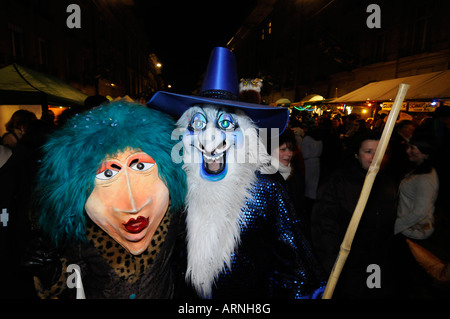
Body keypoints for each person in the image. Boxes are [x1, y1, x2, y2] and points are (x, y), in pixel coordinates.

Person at [148, 47, 326, 299]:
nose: (210, 138)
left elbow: (295, 257)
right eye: (198, 123)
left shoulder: (266, 187)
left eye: (226, 123)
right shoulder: (176, 183)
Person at [22, 101, 188, 299]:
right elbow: (73, 283)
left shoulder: (172, 216)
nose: (134, 207)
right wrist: (53, 273)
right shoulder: (82, 232)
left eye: (141, 167)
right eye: (107, 173)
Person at [311, 131, 398, 298]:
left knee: (373, 292)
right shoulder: (337, 182)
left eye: (381, 152)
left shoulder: (387, 182)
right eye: (368, 152)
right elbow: (323, 226)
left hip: (376, 262)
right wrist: (333, 264)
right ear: (356, 154)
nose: (375, 157)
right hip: (346, 264)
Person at [391, 132, 440, 298]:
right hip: (409, 230)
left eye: (413, 148)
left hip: (413, 232)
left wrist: (395, 226)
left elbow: (420, 211)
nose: (408, 151)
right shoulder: (418, 169)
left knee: (414, 277)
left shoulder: (425, 178)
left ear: (426, 152)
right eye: (408, 147)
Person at [270, 128, 307, 234]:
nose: (289, 154)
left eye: (291, 149)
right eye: (283, 149)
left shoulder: (294, 175)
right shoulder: (265, 180)